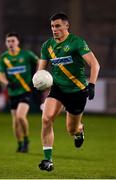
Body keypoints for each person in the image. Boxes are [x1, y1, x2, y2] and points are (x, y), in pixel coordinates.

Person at [35, 12, 100, 171]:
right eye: (52, 26)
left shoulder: (76, 42)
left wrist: (91, 85)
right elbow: (41, 71)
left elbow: (95, 64)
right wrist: (38, 81)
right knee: (46, 119)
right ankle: (48, 160)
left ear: (66, 26)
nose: (54, 29)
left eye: (57, 26)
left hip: (77, 91)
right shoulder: (47, 46)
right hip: (58, 89)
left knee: (71, 129)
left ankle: (79, 131)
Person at [0, 32, 39, 153]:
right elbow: (0, 75)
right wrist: (7, 83)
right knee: (15, 122)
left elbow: (39, 61)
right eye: (8, 41)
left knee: (20, 116)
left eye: (13, 41)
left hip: (25, 91)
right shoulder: (4, 57)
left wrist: (37, 75)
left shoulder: (26, 54)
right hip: (12, 92)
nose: (10, 43)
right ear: (6, 43)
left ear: (18, 42)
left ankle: (26, 139)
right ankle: (20, 143)